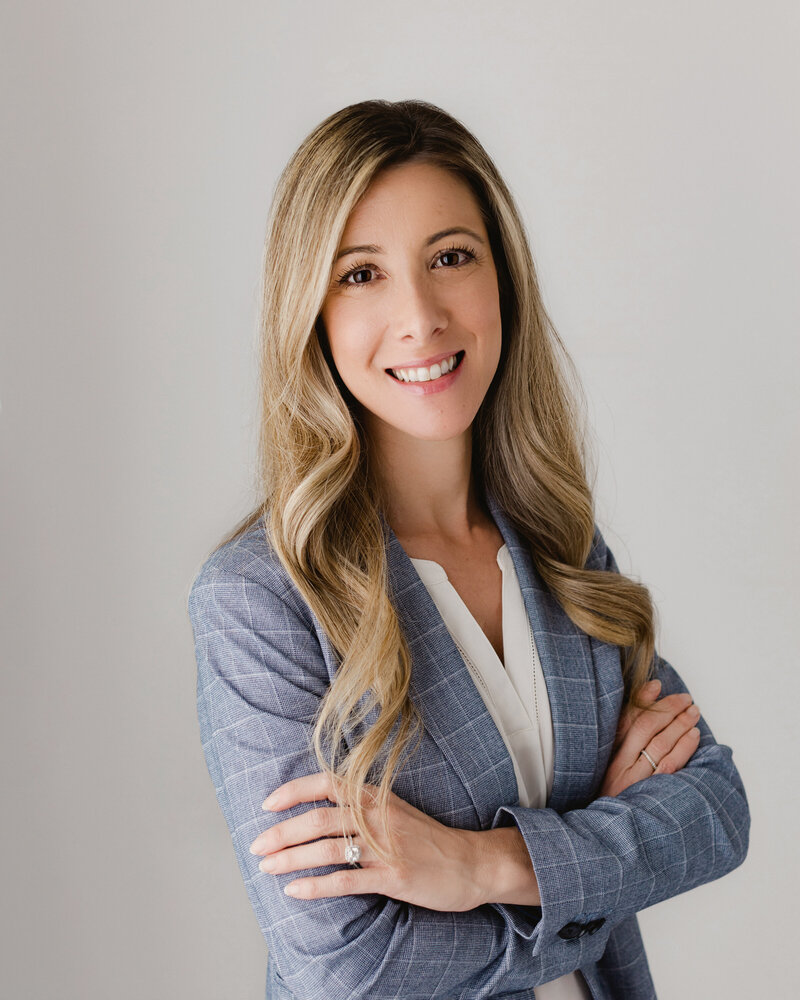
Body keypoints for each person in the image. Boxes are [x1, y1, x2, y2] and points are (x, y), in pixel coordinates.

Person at [187, 99, 750, 1000]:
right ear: (311, 314)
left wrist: (479, 867)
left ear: (503, 280)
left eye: (451, 257)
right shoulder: (261, 599)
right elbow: (347, 968)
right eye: (361, 275)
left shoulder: (559, 544)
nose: (420, 317)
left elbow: (716, 814)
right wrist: (597, 861)